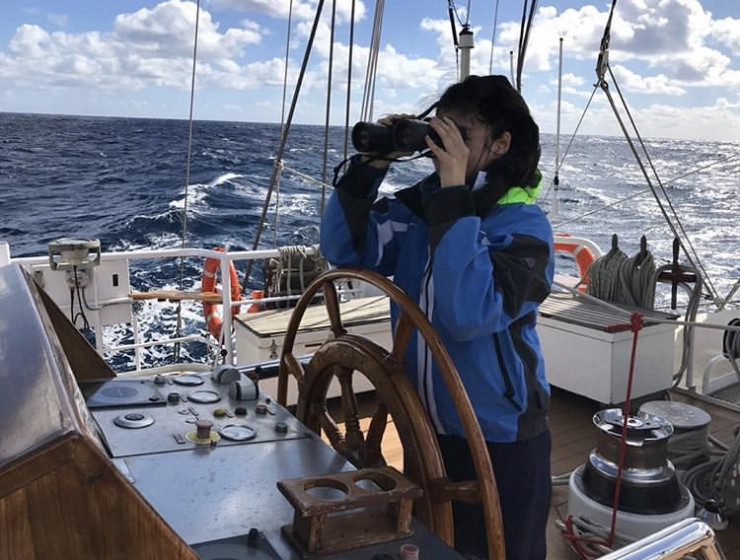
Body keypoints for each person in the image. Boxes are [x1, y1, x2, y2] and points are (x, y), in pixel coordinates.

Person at [320, 74, 554, 560]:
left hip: (501, 435)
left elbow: (468, 314)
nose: (443, 148)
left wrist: (452, 199)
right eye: (439, 132)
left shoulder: (525, 230)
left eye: (460, 136)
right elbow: (346, 249)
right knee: (436, 546)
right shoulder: (419, 212)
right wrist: (370, 166)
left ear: (500, 144)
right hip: (426, 425)